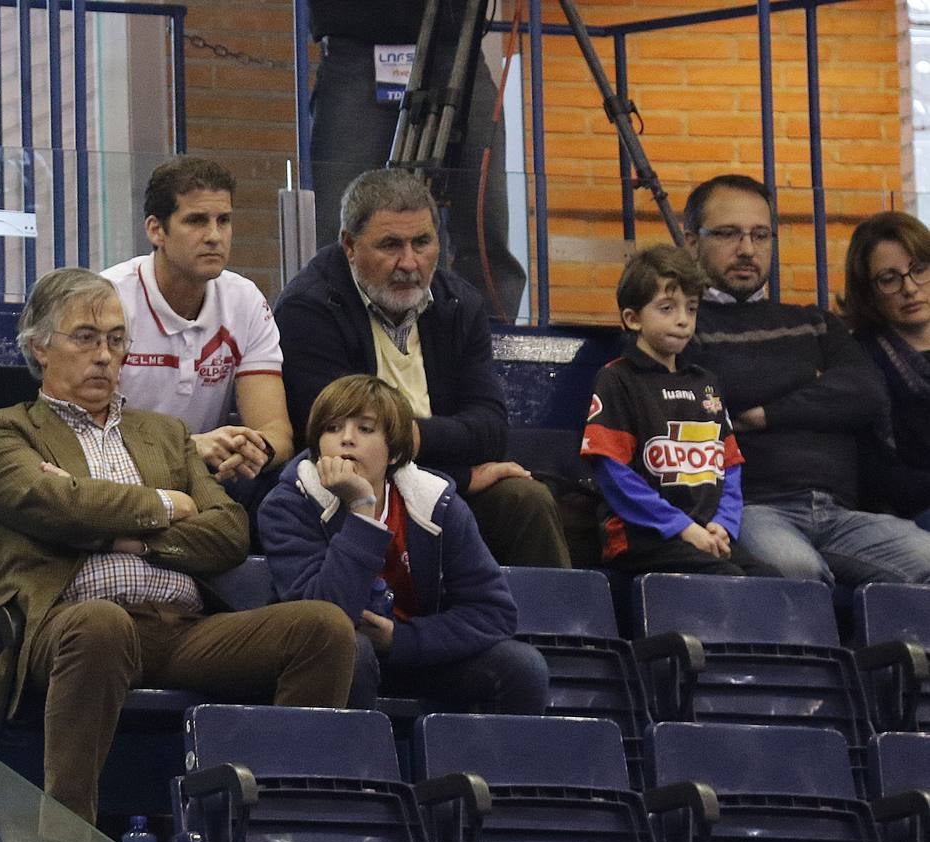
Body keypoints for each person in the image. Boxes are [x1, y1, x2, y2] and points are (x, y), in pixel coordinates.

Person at [0, 267, 356, 828]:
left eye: (117, 339)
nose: (105, 354)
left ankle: (276, 831)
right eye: (85, 337)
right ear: (39, 348)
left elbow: (228, 533)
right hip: (68, 625)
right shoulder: (0, 431)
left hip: (178, 627)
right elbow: (54, 505)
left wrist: (131, 541)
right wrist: (167, 505)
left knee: (324, 629)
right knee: (101, 623)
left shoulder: (164, 434)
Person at [276, 167, 570, 568]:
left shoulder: (458, 304)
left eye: (423, 242)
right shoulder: (308, 309)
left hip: (436, 482)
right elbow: (343, 445)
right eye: (390, 245)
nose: (410, 263)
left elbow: (490, 430)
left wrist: (406, 439)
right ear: (349, 245)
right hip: (350, 492)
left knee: (526, 499)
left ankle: (559, 632)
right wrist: (461, 476)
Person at [683, 174, 930, 586]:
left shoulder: (814, 323)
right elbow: (712, 396)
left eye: (761, 235)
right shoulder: (682, 327)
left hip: (843, 512)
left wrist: (766, 413)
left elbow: (865, 393)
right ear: (692, 242)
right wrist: (811, 388)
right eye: (729, 234)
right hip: (752, 507)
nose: (747, 249)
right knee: (797, 571)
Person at [259, 374, 548, 713]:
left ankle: (481, 767)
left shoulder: (436, 502)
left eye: (365, 429)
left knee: (522, 668)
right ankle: (353, 767)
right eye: (332, 428)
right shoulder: (289, 504)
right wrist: (362, 512)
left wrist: (401, 640)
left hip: (415, 652)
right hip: (330, 659)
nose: (346, 440)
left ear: (394, 452)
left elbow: (493, 613)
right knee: (353, 649)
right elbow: (323, 618)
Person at [100, 157, 293, 529]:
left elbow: (276, 429)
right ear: (156, 230)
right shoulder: (108, 299)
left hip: (207, 477)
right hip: (117, 472)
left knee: (295, 478)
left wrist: (256, 450)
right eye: (196, 221)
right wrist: (188, 447)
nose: (214, 236)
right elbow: (84, 430)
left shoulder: (246, 300)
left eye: (224, 220)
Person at [308, 0, 526, 320]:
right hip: (356, 42)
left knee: (484, 220)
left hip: (457, 44)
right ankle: (341, 339)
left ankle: (488, 345)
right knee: (336, 229)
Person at [582, 245, 777, 577]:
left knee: (775, 584)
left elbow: (729, 467)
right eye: (667, 308)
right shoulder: (616, 379)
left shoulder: (707, 383)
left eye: (692, 308)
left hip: (705, 536)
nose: (683, 320)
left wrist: (723, 525)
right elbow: (613, 474)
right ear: (633, 319)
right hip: (642, 539)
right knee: (729, 580)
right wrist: (682, 528)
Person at [841, 210, 930, 529]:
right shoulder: (859, 357)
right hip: (908, 514)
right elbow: (877, 476)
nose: (910, 288)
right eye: (889, 279)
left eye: (919, 269)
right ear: (869, 293)